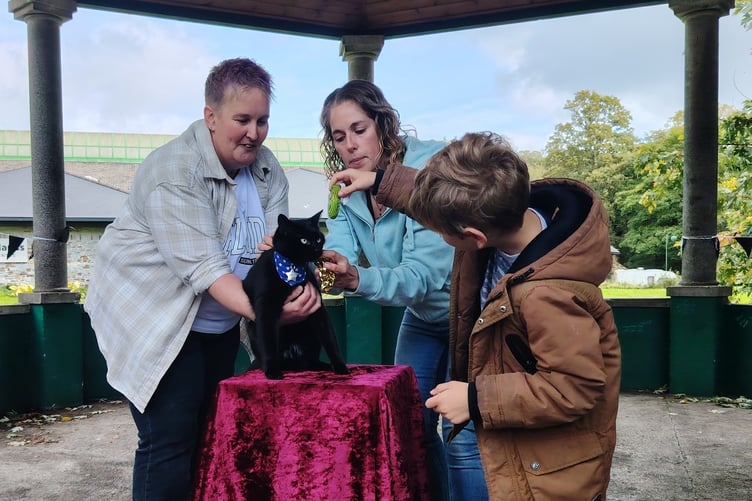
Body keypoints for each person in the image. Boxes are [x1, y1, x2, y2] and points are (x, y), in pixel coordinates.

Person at [330, 131, 622, 500]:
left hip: (547, 471)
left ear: (472, 237)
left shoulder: (549, 294)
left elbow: (574, 386)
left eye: (438, 233)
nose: (436, 234)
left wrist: (476, 399)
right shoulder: (502, 208)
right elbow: (440, 199)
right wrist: (381, 181)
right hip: (504, 410)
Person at [84, 58, 322, 500]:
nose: (254, 132)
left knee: (214, 434)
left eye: (263, 120)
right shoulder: (173, 171)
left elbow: (277, 251)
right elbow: (207, 271)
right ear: (210, 116)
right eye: (242, 120)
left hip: (220, 321)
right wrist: (272, 312)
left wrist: (300, 292)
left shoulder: (266, 168)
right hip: (155, 319)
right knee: (169, 440)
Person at [318, 80, 488, 501]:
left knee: (460, 433)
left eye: (359, 129)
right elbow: (339, 247)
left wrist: (357, 279)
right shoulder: (344, 185)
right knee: (409, 421)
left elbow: (422, 275)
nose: (351, 145)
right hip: (423, 316)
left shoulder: (428, 169)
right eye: (339, 137)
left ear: (383, 122)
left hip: (471, 312)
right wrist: (329, 265)